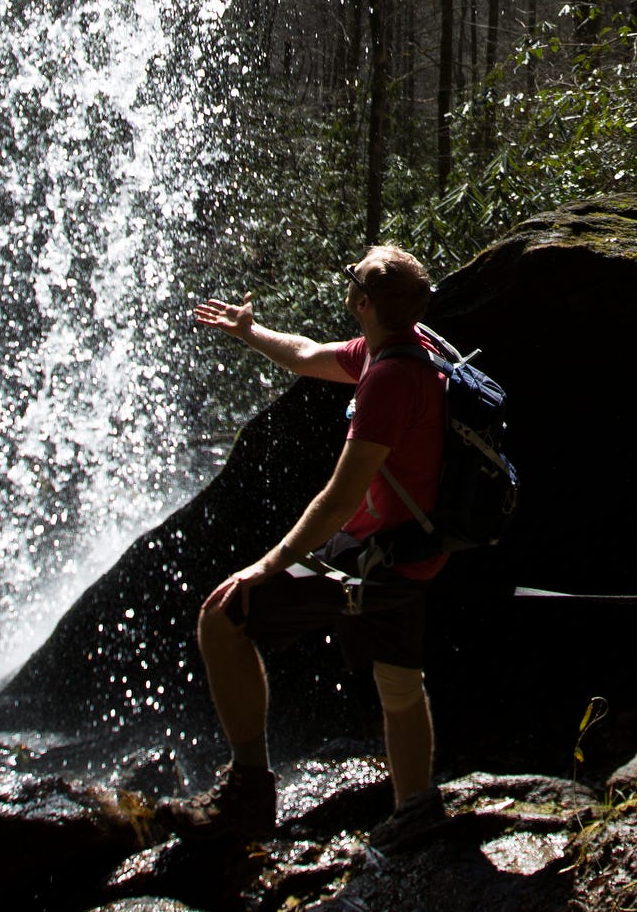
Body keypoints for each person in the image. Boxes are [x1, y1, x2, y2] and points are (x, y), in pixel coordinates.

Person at [166, 244, 448, 845]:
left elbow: (337, 500)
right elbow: (306, 356)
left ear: (362, 303)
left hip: (375, 562)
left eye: (353, 283)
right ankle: (416, 813)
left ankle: (248, 789)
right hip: (411, 551)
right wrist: (251, 331)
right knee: (399, 684)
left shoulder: (390, 382)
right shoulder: (404, 348)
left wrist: (264, 569)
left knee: (223, 616)